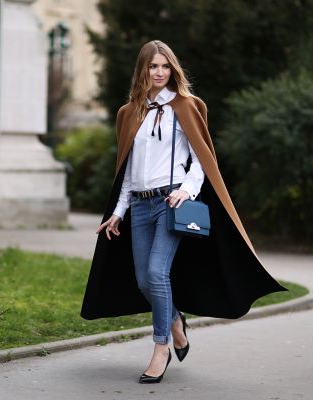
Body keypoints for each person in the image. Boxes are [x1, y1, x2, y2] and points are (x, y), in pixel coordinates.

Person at [80, 40, 285, 384]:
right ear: (143, 70)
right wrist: (118, 211)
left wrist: (186, 191)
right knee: (143, 280)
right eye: (153, 66)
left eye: (165, 66)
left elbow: (201, 160)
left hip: (171, 203)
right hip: (140, 205)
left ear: (172, 69)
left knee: (157, 273)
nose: (159, 72)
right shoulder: (129, 113)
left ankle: (160, 347)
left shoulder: (187, 106)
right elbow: (127, 169)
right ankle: (175, 320)